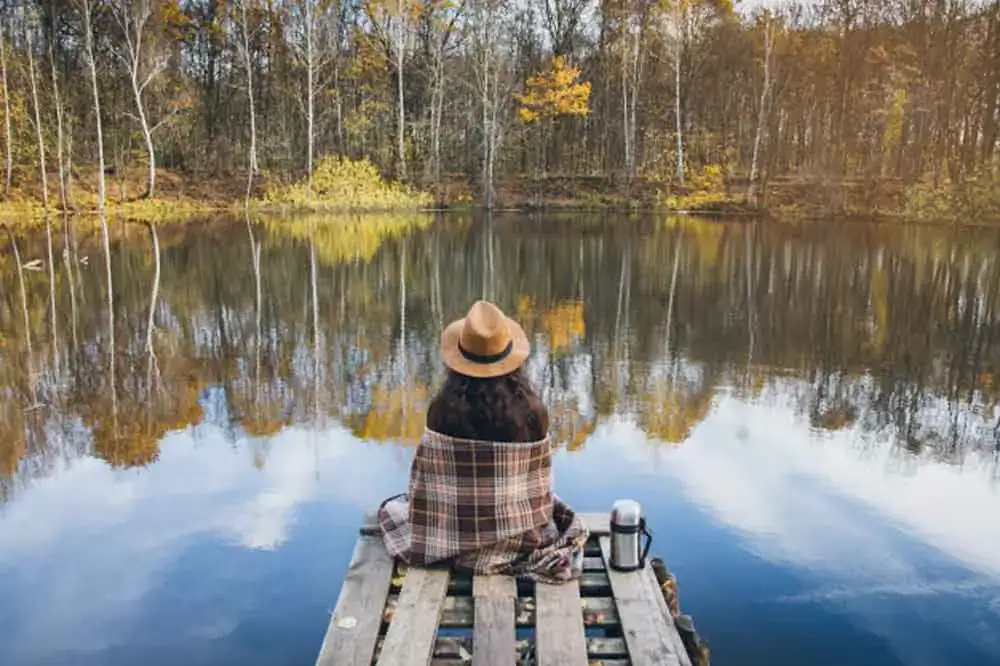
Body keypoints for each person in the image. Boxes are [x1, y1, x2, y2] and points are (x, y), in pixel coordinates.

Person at [377, 300, 588, 583]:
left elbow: (425, 486)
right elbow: (537, 488)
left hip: (451, 540)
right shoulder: (531, 412)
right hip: (518, 542)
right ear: (511, 357)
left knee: (392, 509)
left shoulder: (442, 411)